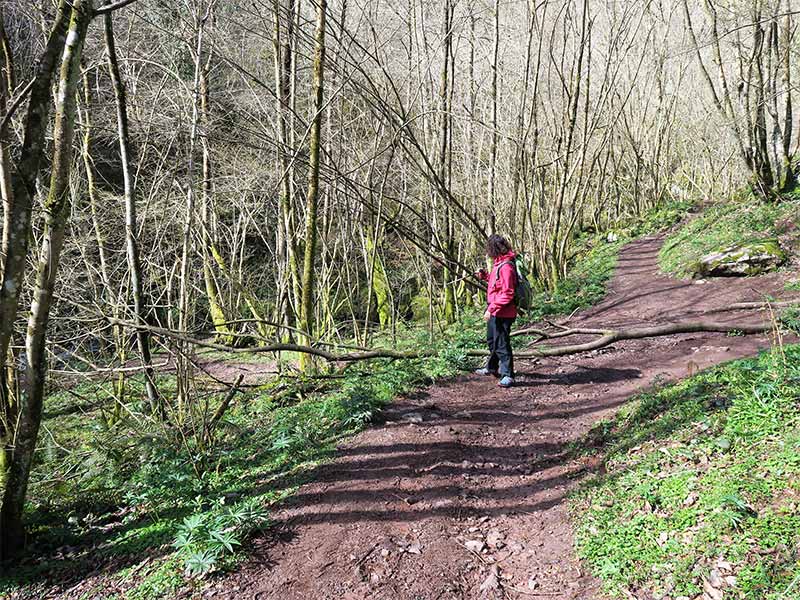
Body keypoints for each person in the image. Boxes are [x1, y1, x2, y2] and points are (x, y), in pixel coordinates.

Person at [474, 234, 517, 388]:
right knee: (492, 340)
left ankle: (508, 375)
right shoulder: (499, 264)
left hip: (503, 312)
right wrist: (485, 276)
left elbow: (508, 293)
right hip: (496, 310)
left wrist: (491, 309)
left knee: (501, 342)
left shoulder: (506, 267)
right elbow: (496, 284)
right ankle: (491, 367)